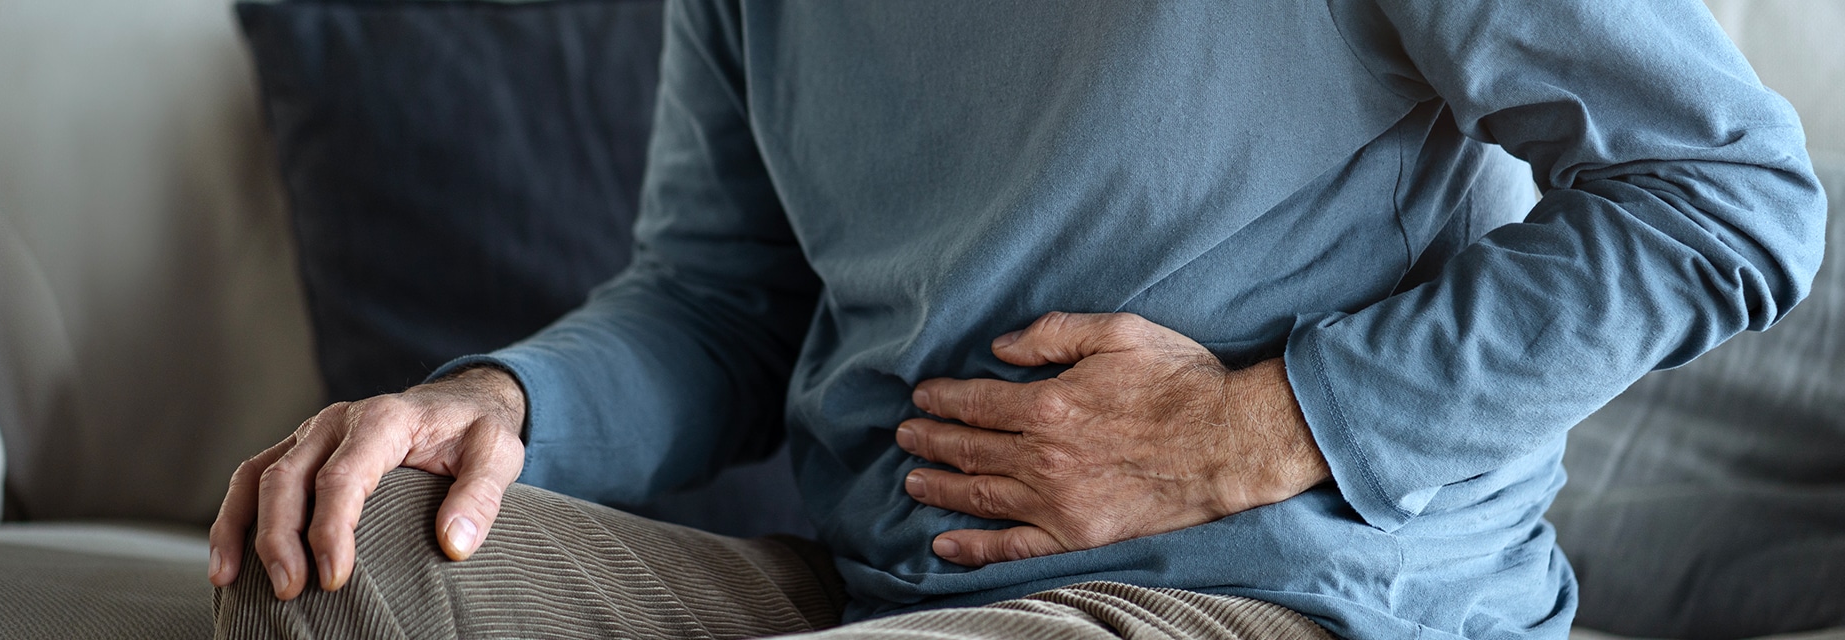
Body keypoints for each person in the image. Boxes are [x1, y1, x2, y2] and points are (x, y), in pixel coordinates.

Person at [207, 1, 1827, 638]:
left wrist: (1263, 421)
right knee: (341, 558)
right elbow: (720, 301)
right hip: (873, 591)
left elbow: (1732, 194)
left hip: (1292, 605)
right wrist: (501, 403)